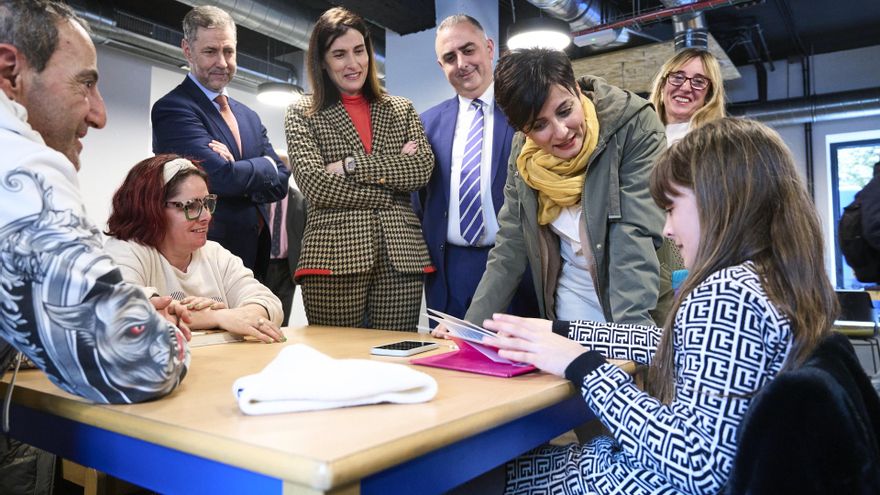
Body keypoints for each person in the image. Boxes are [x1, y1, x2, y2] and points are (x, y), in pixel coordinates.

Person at [478, 118, 838, 494]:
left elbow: (696, 465)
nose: (666, 229)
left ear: (719, 201)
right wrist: (562, 333)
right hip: (650, 474)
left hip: (637, 481)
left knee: (470, 471)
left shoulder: (726, 292)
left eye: (671, 207)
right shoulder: (773, 283)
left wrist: (580, 365)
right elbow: (669, 342)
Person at [0, 1, 189, 491]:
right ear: (9, 72)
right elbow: (135, 363)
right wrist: (152, 332)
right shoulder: (19, 161)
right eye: (85, 83)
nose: (99, 113)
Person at [462, 48, 668, 328]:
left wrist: (630, 337)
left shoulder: (635, 126)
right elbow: (511, 243)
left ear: (577, 91)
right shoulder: (524, 155)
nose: (561, 132)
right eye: (539, 125)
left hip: (638, 303)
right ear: (523, 131)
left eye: (565, 111)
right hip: (572, 304)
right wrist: (470, 329)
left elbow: (632, 235)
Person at [284, 7, 434, 330]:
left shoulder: (400, 109)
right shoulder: (302, 113)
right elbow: (316, 185)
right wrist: (390, 187)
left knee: (395, 361)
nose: (353, 64)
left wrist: (351, 165)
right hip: (334, 257)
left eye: (359, 51)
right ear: (322, 61)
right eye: (339, 54)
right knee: (335, 364)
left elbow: (421, 169)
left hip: (401, 257)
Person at [151, 5, 290, 280]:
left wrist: (239, 168)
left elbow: (282, 181)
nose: (223, 62)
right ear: (187, 50)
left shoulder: (248, 116)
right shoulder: (174, 109)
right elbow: (220, 178)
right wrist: (264, 166)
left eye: (228, 51)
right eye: (210, 51)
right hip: (202, 257)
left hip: (254, 255)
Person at [415, 14, 538, 322]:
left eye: (468, 50)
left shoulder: (526, 112)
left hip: (517, 268)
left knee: (515, 365)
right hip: (448, 271)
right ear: (441, 67)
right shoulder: (425, 124)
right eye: (449, 57)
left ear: (489, 47)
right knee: (449, 364)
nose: (461, 63)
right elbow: (418, 202)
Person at [104, 155, 285, 343]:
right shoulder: (125, 250)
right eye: (191, 206)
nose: (206, 216)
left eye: (207, 203)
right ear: (151, 208)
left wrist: (233, 315)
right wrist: (218, 317)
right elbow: (122, 310)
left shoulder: (215, 254)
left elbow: (268, 303)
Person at [263, 151, 308, 326]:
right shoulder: (261, 197)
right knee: (262, 312)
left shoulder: (300, 200)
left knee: (283, 318)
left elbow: (305, 234)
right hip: (262, 264)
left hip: (286, 267)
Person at [649, 48, 726, 146]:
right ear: (662, 85)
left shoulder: (716, 142)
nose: (685, 88)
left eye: (698, 81)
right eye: (678, 77)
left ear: (709, 94)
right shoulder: (637, 135)